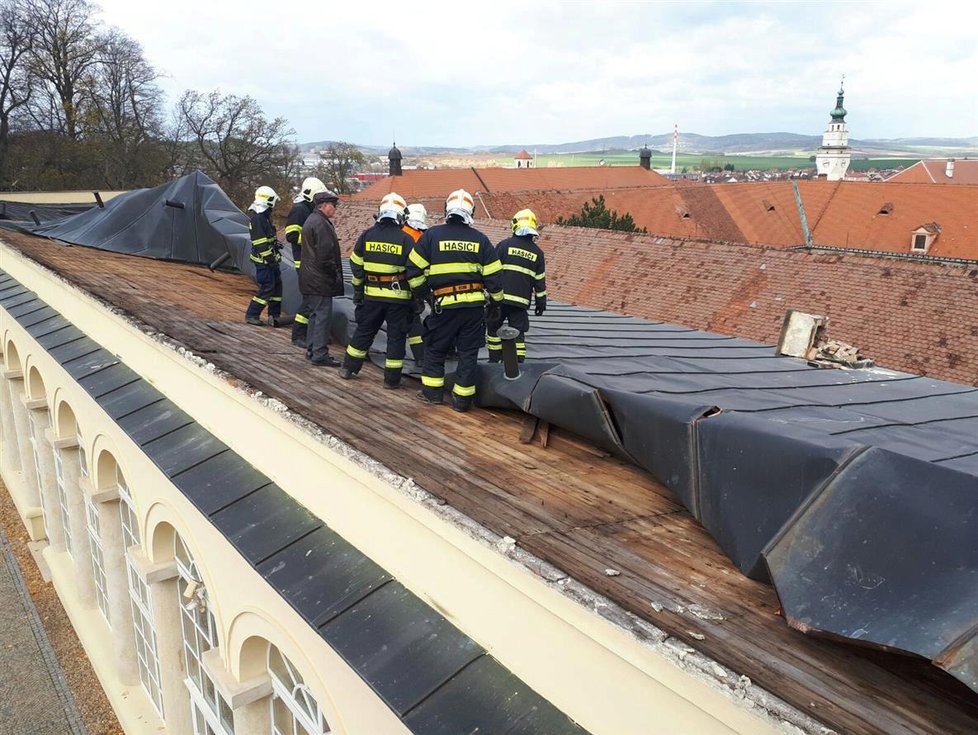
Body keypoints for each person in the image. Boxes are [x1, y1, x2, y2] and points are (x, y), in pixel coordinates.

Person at [405, 189, 504, 412]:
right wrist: (497, 303)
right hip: (474, 308)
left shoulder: (431, 236)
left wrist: (425, 294)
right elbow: (495, 277)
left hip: (444, 306)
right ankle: (462, 401)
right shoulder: (481, 240)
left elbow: (413, 270)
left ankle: (432, 393)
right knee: (468, 353)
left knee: (436, 348)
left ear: (447, 210)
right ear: (471, 212)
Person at [339, 193, 416, 388]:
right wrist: (417, 298)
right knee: (396, 337)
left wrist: (358, 292)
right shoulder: (406, 240)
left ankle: (348, 367)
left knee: (364, 331)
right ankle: (391, 380)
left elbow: (356, 266)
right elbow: (414, 271)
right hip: (398, 298)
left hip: (371, 295)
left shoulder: (367, 235)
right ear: (401, 216)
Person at [486, 208, 547, 362]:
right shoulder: (537, 253)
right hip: (520, 303)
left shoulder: (504, 246)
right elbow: (539, 281)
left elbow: (491, 271)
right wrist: (541, 303)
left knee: (493, 328)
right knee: (518, 331)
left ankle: (494, 359)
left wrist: (487, 294)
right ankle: (518, 361)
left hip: (499, 299)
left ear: (515, 225)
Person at [299, 189, 344, 366]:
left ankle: (312, 349)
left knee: (314, 315)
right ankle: (319, 353)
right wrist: (335, 275)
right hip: (320, 280)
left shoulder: (312, 220)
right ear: (324, 205)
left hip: (310, 278)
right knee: (323, 316)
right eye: (333, 206)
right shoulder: (321, 225)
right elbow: (325, 256)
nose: (335, 209)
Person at [285, 176, 328, 347]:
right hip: (303, 262)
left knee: (313, 300)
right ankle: (299, 335)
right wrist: (314, 240)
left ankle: (313, 334)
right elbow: (291, 235)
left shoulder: (309, 209)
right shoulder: (299, 210)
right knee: (309, 300)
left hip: (311, 262)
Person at [244, 186, 284, 326]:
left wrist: (275, 244)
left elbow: (267, 238)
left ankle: (274, 316)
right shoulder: (258, 219)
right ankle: (252, 314)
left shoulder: (264, 217)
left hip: (270, 260)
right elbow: (260, 244)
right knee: (267, 287)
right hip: (264, 261)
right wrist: (270, 259)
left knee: (277, 287)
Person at [402, 203, 429, 363]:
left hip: (395, 286)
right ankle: (420, 358)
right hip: (413, 287)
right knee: (414, 324)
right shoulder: (422, 237)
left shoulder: (401, 233)